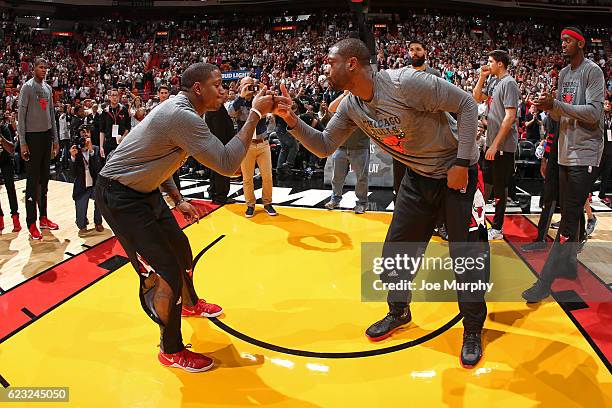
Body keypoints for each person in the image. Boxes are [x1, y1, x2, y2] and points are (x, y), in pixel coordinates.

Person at [274, 38, 489, 368]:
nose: (324, 68)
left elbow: (467, 106)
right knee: (395, 252)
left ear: (352, 64)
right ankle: (398, 311)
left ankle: (473, 328)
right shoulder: (349, 106)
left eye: (330, 62)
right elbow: (322, 145)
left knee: (466, 256)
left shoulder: (406, 83)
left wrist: (462, 164)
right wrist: (291, 120)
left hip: (455, 175)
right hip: (418, 178)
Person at [95, 62, 275, 373]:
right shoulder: (182, 115)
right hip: (120, 197)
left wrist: (177, 199)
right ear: (197, 89)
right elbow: (229, 165)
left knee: (181, 250)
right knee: (166, 270)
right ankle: (171, 349)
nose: (223, 90)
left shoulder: (185, 112)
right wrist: (255, 114)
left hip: (144, 191)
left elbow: (152, 156)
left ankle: (191, 305)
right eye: (217, 84)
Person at [522, 27, 605, 302]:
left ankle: (544, 282)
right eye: (561, 41)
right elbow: (560, 112)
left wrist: (557, 104)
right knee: (570, 211)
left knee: (568, 220)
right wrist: (549, 107)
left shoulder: (592, 72)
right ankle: (569, 265)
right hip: (565, 151)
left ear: (580, 43)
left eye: (567, 40)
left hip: (586, 151)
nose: (563, 44)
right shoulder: (565, 73)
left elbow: (594, 114)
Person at [473, 49, 520, 241]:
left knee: (500, 188)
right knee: (487, 184)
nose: (488, 64)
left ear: (500, 63)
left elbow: (510, 117)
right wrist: (481, 77)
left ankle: (498, 228)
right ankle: (482, 222)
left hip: (502, 146)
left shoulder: (509, 83)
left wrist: (495, 145)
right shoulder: (493, 81)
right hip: (491, 143)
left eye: (490, 62)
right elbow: (476, 98)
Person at [17, 57, 60, 239]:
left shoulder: (48, 88)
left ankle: (43, 217)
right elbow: (20, 115)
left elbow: (51, 114)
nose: (43, 70)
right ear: (33, 69)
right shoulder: (27, 87)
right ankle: (31, 222)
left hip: (46, 136)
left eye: (45, 68)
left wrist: (55, 140)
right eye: (40, 67)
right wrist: (23, 142)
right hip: (32, 138)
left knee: (44, 181)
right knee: (32, 182)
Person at [229, 77, 277, 218]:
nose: (250, 87)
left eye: (252, 85)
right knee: (247, 178)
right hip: (246, 145)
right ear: (240, 87)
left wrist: (265, 92)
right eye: (246, 85)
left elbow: (271, 108)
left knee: (267, 176)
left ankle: (267, 203)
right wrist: (241, 97)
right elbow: (230, 113)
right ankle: (250, 205)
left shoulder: (260, 99)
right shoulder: (238, 102)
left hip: (263, 143)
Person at [324, 91, 370, 214]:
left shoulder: (365, 99)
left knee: (361, 178)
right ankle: (335, 199)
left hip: (360, 146)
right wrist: (345, 95)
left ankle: (361, 203)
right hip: (341, 146)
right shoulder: (344, 100)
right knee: (337, 177)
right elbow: (331, 108)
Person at [70, 125, 104, 235]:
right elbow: (73, 174)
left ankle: (98, 222)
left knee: (100, 200)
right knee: (81, 226)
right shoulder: (75, 150)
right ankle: (82, 221)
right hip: (81, 187)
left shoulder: (96, 149)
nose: (85, 136)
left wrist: (91, 152)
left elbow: (99, 169)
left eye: (87, 134)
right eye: (82, 134)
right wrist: (73, 158)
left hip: (94, 185)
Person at [204, 92, 236, 205]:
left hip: (214, 145)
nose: (225, 95)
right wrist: (225, 147)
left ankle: (213, 192)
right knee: (221, 172)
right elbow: (219, 131)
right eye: (222, 94)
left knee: (215, 171)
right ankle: (220, 196)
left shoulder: (213, 108)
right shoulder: (216, 110)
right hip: (220, 146)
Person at [0, 111, 21, 232]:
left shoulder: (4, 128)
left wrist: (1, 138)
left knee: (10, 189)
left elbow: (11, 148)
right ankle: (0, 217)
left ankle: (15, 217)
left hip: (6, 161)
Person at [99, 88, 131, 159]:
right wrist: (101, 147)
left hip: (121, 143)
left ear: (119, 97)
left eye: (116, 95)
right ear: (109, 97)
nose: (115, 97)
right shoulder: (105, 112)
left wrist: (123, 137)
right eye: (113, 95)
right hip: (108, 144)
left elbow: (128, 127)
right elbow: (102, 131)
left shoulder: (124, 110)